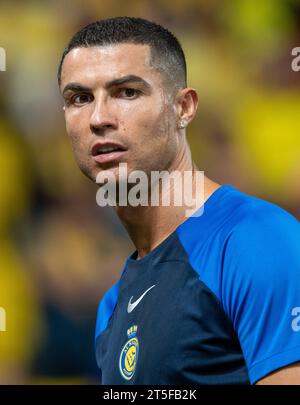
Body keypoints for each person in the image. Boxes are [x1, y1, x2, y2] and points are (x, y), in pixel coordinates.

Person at [58, 17, 300, 384]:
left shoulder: (256, 242)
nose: (99, 118)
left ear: (183, 107)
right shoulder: (112, 306)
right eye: (79, 98)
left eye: (126, 92)